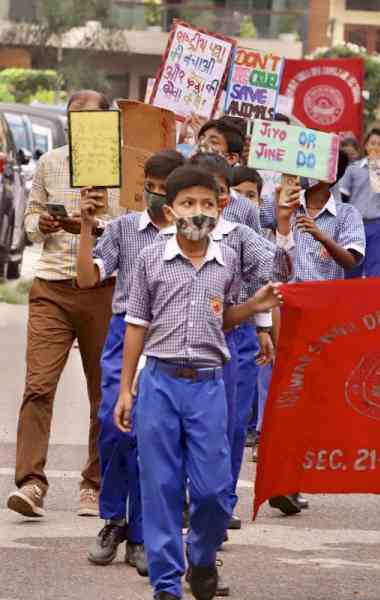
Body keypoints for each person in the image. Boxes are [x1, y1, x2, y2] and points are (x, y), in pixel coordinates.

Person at [113, 165, 283, 600]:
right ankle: (166, 584)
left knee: (210, 492)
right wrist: (127, 388)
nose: (198, 211)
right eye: (188, 203)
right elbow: (136, 324)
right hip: (160, 385)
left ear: (220, 208)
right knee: (162, 487)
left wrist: (253, 308)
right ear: (170, 211)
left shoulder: (227, 263)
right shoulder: (151, 258)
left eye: (207, 203)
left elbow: (224, 318)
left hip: (208, 386)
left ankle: (202, 557)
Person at [6, 89, 122, 519]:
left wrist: (91, 221)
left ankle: (94, 484)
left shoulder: (120, 166)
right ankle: (31, 483)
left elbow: (128, 228)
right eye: (74, 116)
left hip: (103, 287)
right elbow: (31, 221)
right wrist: (46, 222)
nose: (81, 124)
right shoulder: (51, 162)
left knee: (103, 392)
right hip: (52, 286)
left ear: (107, 120)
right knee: (38, 385)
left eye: (90, 117)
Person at [77, 149, 185, 575]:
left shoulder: (193, 234)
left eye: (166, 189)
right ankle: (113, 519)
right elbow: (87, 278)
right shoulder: (124, 229)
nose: (158, 197)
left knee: (148, 437)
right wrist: (86, 228)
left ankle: (140, 534)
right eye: (152, 188)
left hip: (169, 336)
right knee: (112, 425)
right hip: (126, 333)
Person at [186, 153, 286, 538]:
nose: (202, 206)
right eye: (192, 197)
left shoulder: (241, 233)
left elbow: (274, 269)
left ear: (224, 198)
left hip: (234, 335)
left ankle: (220, 503)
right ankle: (183, 500)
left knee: (228, 424)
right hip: (178, 340)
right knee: (183, 426)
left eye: (213, 196)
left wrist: (282, 225)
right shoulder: (166, 236)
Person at [267, 150, 365, 514]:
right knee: (281, 393)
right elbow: (249, 220)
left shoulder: (348, 214)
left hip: (323, 314)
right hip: (281, 307)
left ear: (331, 175)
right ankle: (281, 479)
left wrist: (323, 236)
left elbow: (353, 261)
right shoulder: (281, 200)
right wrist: (281, 209)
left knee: (308, 398)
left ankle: (292, 480)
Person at [338, 128, 380, 278]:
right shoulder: (353, 169)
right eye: (372, 143)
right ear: (366, 146)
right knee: (351, 271)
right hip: (355, 226)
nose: (375, 148)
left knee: (375, 274)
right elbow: (343, 199)